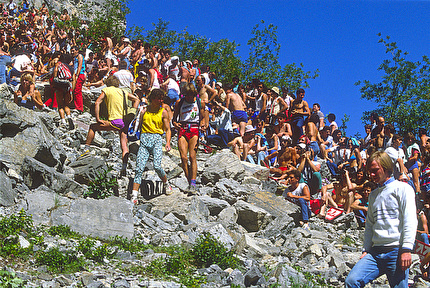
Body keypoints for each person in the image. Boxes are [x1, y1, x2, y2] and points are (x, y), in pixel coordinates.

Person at [345, 151, 417, 288]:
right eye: (369, 172)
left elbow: (410, 219)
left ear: (386, 167)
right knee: (352, 281)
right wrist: (366, 249)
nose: (372, 175)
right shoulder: (373, 195)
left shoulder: (403, 189)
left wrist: (407, 249)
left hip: (396, 251)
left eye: (375, 170)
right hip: (375, 253)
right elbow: (370, 225)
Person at [82, 75, 139, 176]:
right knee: (124, 145)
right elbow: (136, 100)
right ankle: (124, 167)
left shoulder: (107, 90)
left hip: (115, 121)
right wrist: (132, 112)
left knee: (93, 127)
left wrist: (98, 118)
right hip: (124, 122)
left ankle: (85, 150)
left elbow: (97, 103)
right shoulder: (124, 91)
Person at [131, 89, 172, 204]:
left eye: (161, 98)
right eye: (158, 98)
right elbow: (137, 125)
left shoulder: (163, 112)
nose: (160, 100)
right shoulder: (144, 110)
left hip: (157, 139)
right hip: (144, 139)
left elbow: (168, 129)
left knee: (157, 166)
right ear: (152, 99)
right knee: (139, 167)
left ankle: (166, 183)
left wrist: (167, 142)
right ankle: (134, 195)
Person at [172, 83, 207, 194]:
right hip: (183, 128)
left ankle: (193, 183)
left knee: (192, 156)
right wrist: (175, 124)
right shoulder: (179, 102)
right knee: (183, 157)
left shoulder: (199, 102)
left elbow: (202, 117)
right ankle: (189, 181)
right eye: (186, 95)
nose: (189, 98)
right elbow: (174, 119)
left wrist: (203, 125)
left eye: (191, 95)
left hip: (194, 129)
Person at [71, 46, 85, 112]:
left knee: (77, 91)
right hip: (76, 74)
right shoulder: (74, 58)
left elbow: (80, 65)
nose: (72, 52)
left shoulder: (80, 56)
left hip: (80, 74)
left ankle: (79, 108)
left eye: (73, 50)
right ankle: (76, 106)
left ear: (77, 50)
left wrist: (77, 74)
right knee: (75, 90)